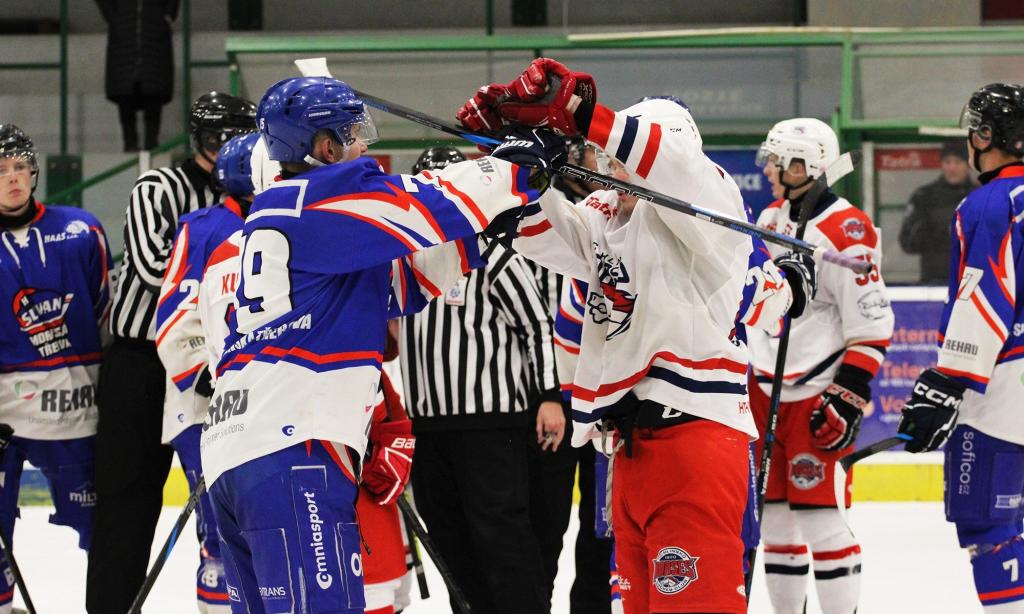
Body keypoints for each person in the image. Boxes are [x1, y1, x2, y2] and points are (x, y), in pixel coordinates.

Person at [458, 58, 815, 614]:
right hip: (628, 452)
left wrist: (581, 113)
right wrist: (506, 155)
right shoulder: (604, 213)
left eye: (620, 159)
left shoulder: (710, 203)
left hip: (695, 445)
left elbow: (674, 167)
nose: (609, 171)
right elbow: (533, 227)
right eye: (605, 160)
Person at [201, 76, 562, 612]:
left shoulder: (288, 218)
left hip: (234, 453)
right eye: (353, 134)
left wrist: (483, 231)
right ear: (326, 147)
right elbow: (432, 201)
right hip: (292, 448)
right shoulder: (322, 199)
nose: (363, 145)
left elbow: (400, 285)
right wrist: (518, 167)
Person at [87, 91, 256, 614]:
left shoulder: (259, 193)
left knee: (222, 502)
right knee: (126, 501)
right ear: (197, 138)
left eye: (236, 138)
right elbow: (154, 267)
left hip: (217, 363)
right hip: (143, 363)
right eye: (216, 138)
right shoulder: (159, 186)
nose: (225, 149)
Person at [397, 146, 560, 613]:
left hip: (491, 421)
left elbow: (535, 324)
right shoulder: (404, 255)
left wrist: (549, 396)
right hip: (427, 425)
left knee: (501, 536)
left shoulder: (490, 251)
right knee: (449, 538)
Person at [748, 118, 894, 614]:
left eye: (777, 161)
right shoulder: (769, 219)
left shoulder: (846, 229)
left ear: (805, 166)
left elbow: (872, 322)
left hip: (816, 391)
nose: (768, 170)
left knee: (821, 520)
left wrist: (847, 393)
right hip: (765, 391)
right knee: (774, 524)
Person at [898, 83, 1024, 612]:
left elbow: (986, 296)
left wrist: (947, 382)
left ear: (986, 136)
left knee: (989, 527)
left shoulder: (989, 203)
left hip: (1005, 388)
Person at [0, 124, 112, 610]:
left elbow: (104, 310)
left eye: (20, 167)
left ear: (34, 173)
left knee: (100, 529)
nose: (12, 178)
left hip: (74, 412)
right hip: (3, 415)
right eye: (1, 170)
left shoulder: (81, 230)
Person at [155, 133, 265, 611]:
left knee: (262, 523)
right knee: (220, 529)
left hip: (266, 403)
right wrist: (206, 373)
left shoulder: (283, 222)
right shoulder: (202, 228)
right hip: (204, 406)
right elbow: (174, 313)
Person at [95, 0, 180, 151]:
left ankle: (151, 144)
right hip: (124, 35)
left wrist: (167, 15)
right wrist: (113, 17)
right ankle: (130, 144)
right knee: (125, 94)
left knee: (153, 93)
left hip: (154, 35)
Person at [898, 138, 976, 283]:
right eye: (947, 162)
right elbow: (907, 242)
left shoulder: (979, 196)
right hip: (933, 282)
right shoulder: (924, 196)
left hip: (972, 282)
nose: (952, 168)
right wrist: (932, 229)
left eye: (958, 162)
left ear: (968, 165)